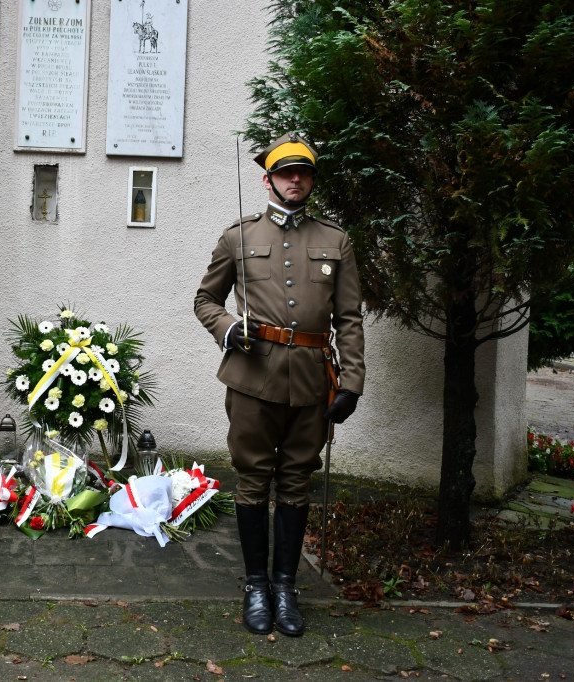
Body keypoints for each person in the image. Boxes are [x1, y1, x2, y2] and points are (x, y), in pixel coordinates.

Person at [194, 132, 364, 637]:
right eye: (286, 172)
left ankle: (286, 586)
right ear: (267, 179)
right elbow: (206, 300)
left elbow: (349, 318)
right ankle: (255, 586)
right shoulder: (237, 237)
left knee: (296, 480)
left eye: (304, 173)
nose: (296, 180)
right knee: (252, 479)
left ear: (310, 180)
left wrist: (350, 381)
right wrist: (228, 330)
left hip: (313, 382)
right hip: (252, 379)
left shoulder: (337, 240)